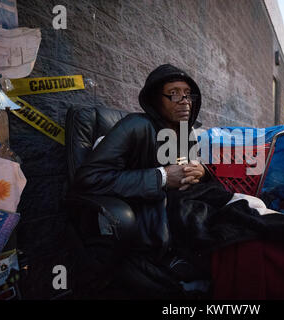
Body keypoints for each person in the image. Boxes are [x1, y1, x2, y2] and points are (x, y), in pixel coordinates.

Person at [72, 64, 212, 298]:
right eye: (174, 94)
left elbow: (196, 173)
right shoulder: (135, 125)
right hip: (156, 226)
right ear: (156, 100)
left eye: (188, 94)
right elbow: (89, 179)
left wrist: (201, 172)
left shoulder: (185, 133)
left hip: (190, 216)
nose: (184, 101)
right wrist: (164, 176)